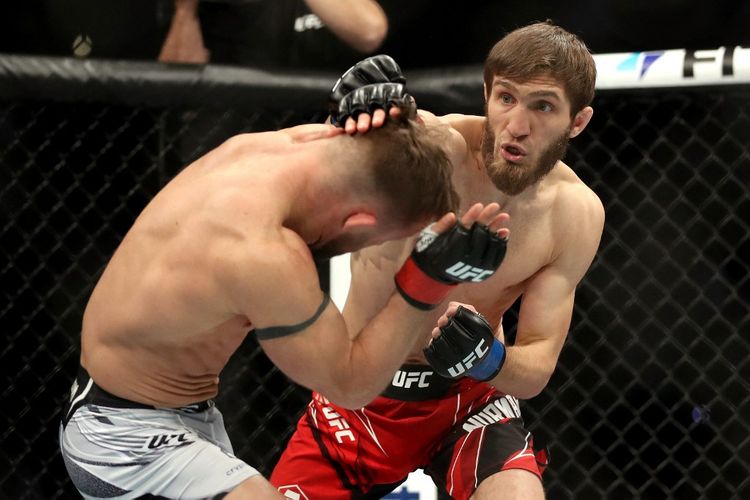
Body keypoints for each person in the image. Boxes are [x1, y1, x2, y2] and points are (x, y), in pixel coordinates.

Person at [58, 98, 512, 499]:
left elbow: (414, 145)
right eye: (380, 241)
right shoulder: (262, 255)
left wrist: (390, 106)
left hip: (167, 416)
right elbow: (350, 385)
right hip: (120, 437)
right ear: (358, 221)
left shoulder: (284, 147)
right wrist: (426, 280)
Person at [270, 21, 605, 499]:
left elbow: (536, 366)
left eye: (543, 106)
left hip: (468, 403)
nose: (517, 125)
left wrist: (488, 359)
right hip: (361, 393)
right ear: (486, 94)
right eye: (506, 98)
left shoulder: (575, 214)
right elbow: (357, 152)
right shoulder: (434, 149)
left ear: (578, 121)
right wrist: (349, 123)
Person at [158, 0, 388, 68]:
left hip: (327, 128)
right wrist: (185, 11)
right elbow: (176, 102)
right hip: (241, 138)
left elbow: (368, 32)